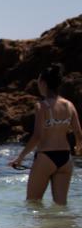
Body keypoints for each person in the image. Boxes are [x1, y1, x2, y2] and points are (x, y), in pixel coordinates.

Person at [9, 63, 82, 204]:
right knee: (61, 205)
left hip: (46, 157)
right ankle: (61, 227)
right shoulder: (69, 105)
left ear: (43, 83)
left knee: (32, 202)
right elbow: (79, 133)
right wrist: (78, 148)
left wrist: (20, 158)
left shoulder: (42, 106)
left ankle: (40, 227)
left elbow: (37, 136)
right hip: (65, 158)